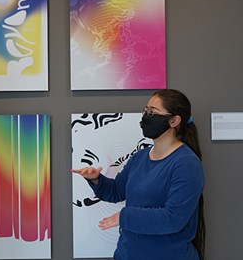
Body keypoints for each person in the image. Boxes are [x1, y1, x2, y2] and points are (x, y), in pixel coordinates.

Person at [72, 89, 205, 260]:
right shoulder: (140, 157)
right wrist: (96, 179)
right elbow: (117, 191)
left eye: (153, 112)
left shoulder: (186, 164)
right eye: (146, 111)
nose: (146, 117)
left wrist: (125, 216)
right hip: (127, 254)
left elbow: (173, 218)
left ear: (174, 120)